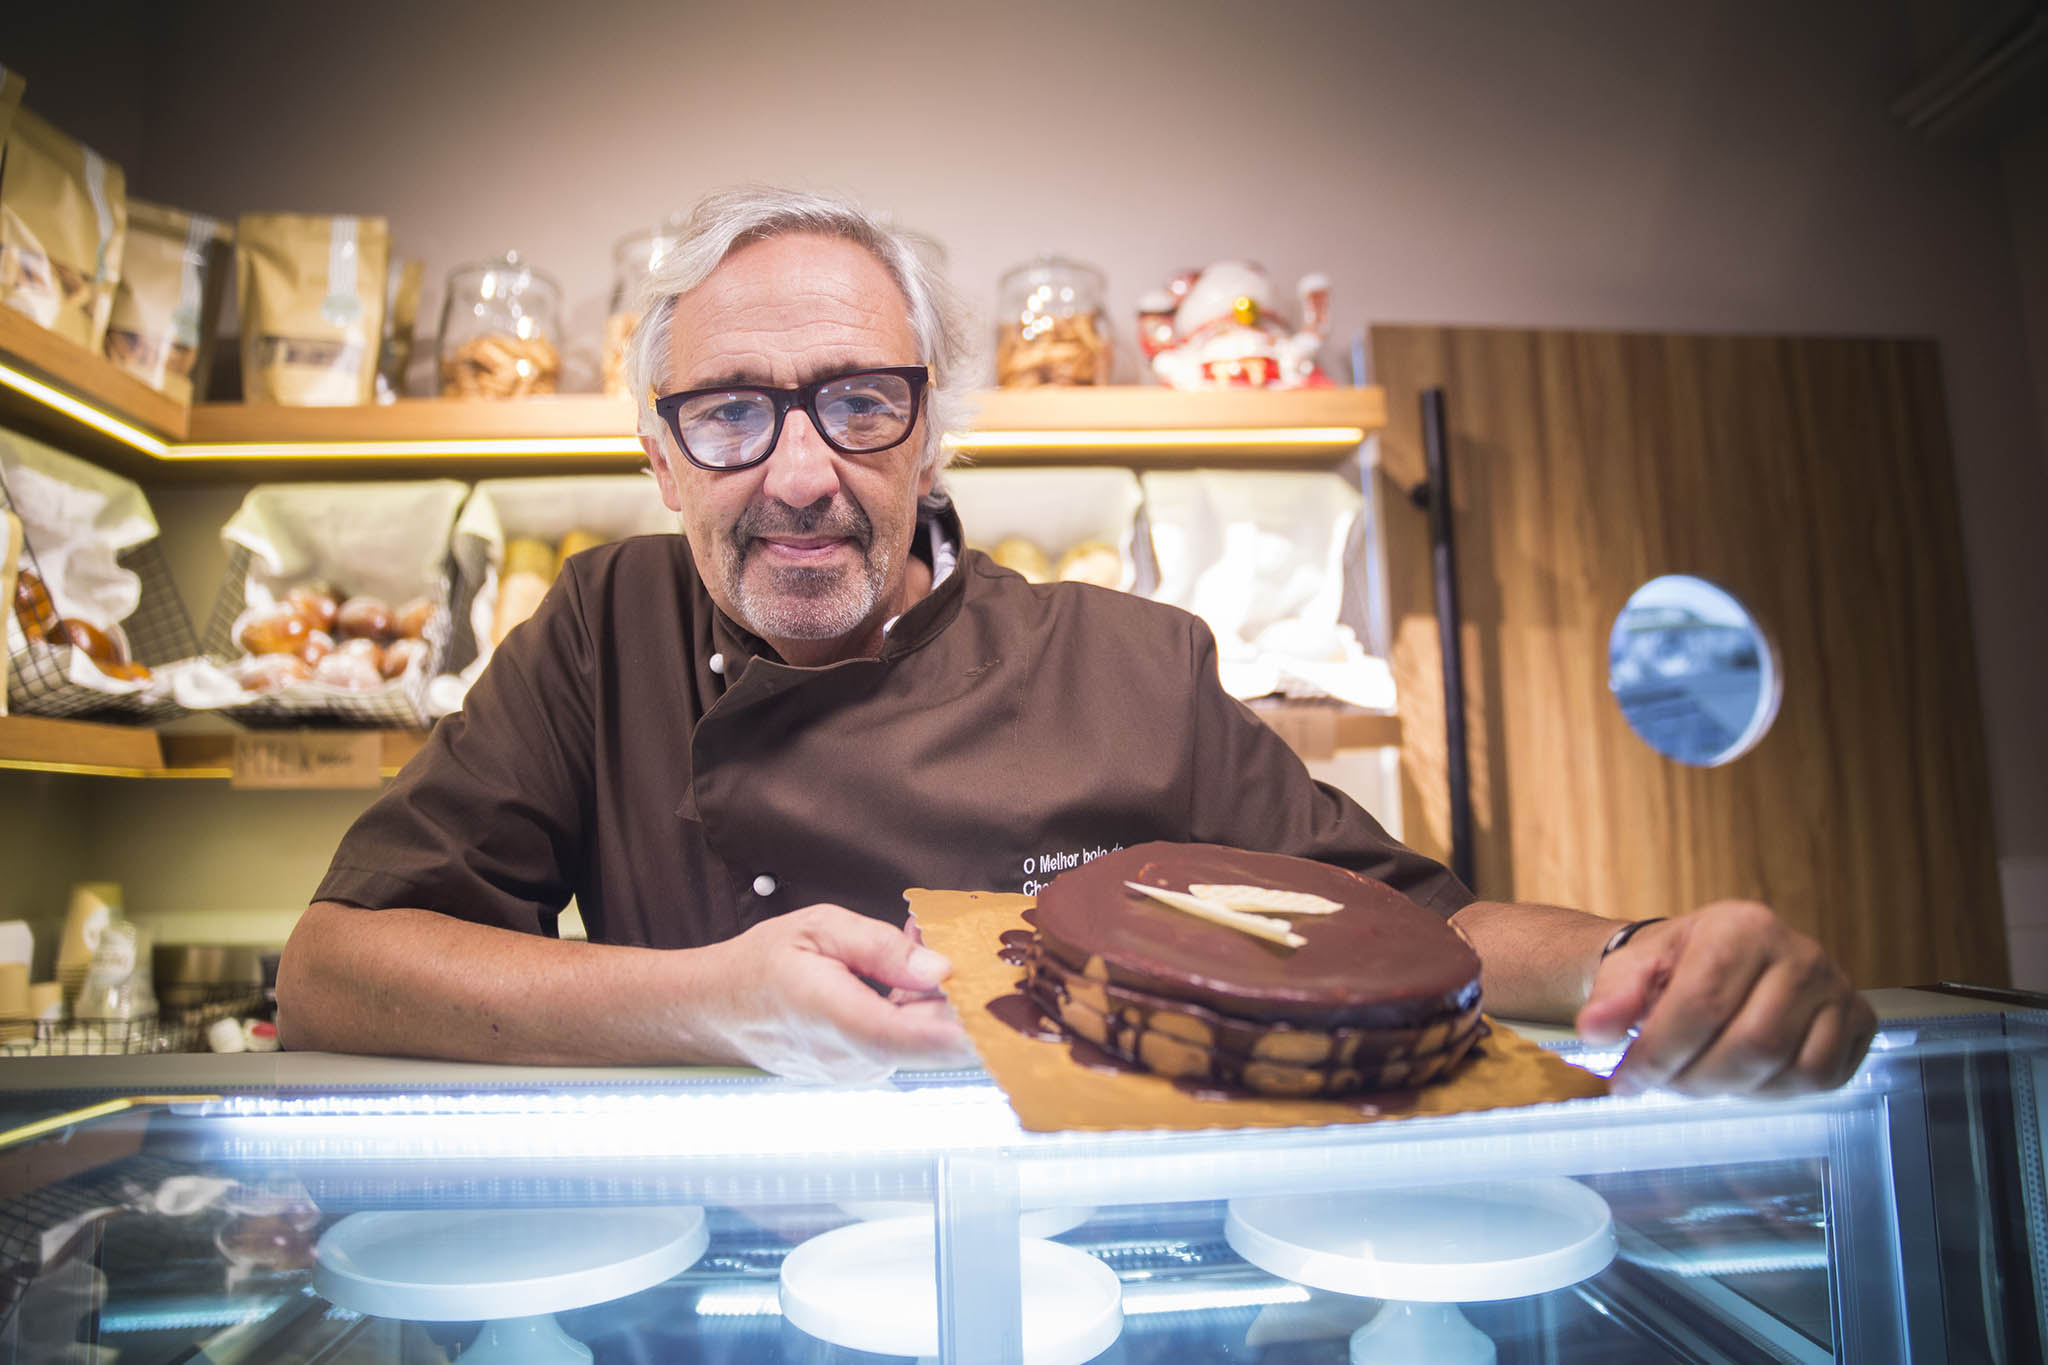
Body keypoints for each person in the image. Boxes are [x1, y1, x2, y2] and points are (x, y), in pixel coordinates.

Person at [278, 187, 1875, 1095]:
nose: (802, 472)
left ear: (932, 435)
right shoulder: (600, 634)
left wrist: (1637, 960)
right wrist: (705, 1000)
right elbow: (337, 970)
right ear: (660, 455)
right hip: (722, 1271)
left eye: (858, 400)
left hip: (1090, 1276)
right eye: (732, 412)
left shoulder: (1136, 663)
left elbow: (1414, 930)